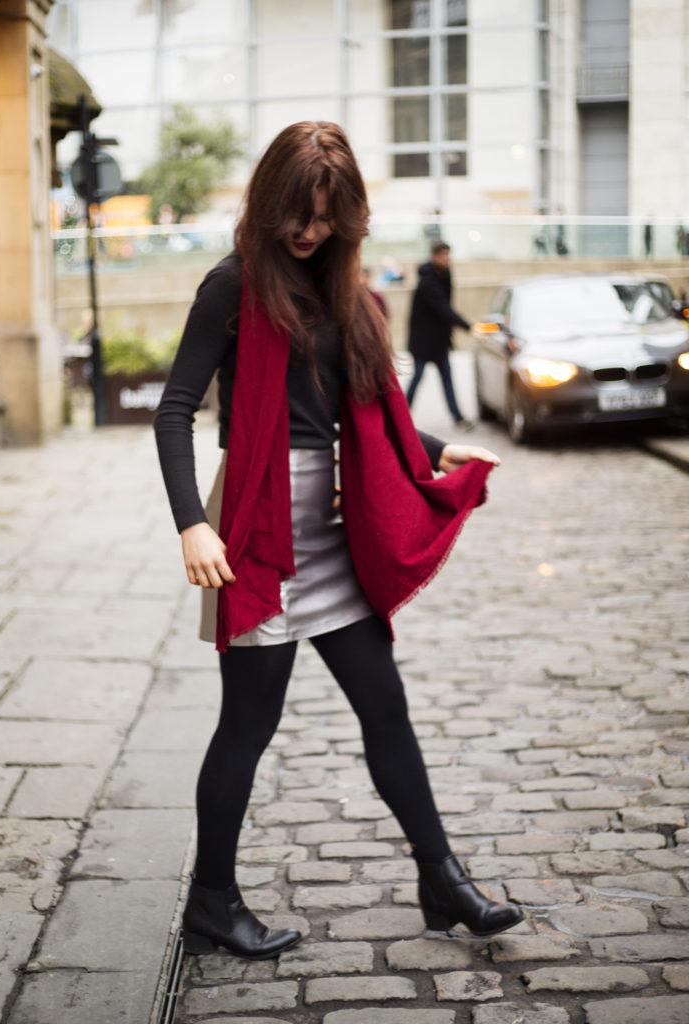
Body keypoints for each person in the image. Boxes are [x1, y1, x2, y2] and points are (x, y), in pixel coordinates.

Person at [154, 121, 524, 961]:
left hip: (332, 532)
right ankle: (212, 901)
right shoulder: (232, 285)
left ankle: (442, 877)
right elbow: (174, 411)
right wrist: (192, 523)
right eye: (298, 212)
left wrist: (436, 449)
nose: (309, 229)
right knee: (248, 723)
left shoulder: (348, 290)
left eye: (326, 215)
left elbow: (355, 409)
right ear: (270, 200)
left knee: (385, 706)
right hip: (257, 532)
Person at [405, 241, 474, 429]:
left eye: (448, 256)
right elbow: (443, 308)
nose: (447, 259)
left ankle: (457, 417)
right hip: (423, 342)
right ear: (434, 256)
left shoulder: (445, 275)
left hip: (439, 342)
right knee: (417, 378)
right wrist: (467, 326)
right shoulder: (427, 281)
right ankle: (401, 417)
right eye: (443, 256)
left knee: (446, 379)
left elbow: (446, 307)